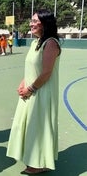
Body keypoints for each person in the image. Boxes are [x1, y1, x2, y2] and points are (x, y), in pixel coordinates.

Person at [6, 9, 61, 174]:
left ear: (45, 24)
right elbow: (31, 68)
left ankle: (40, 163)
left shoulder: (50, 43)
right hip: (30, 92)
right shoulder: (35, 42)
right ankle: (33, 158)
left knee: (39, 127)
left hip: (42, 93)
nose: (31, 24)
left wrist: (30, 89)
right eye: (31, 20)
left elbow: (46, 72)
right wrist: (23, 84)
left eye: (35, 21)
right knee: (28, 126)